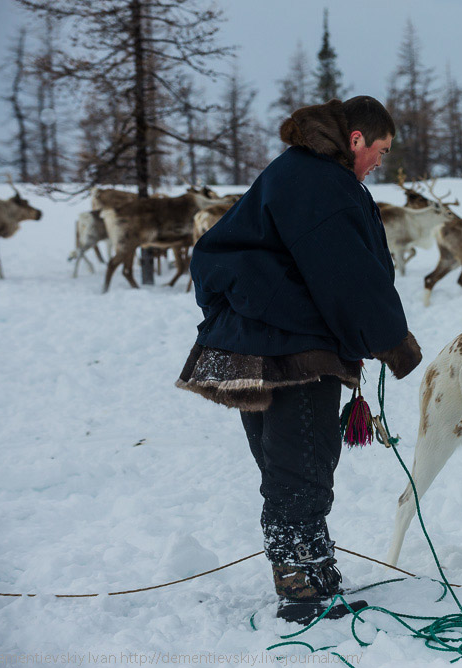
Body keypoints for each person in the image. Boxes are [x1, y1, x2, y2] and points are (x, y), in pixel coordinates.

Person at [176, 96, 423, 624]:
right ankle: (301, 583)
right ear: (356, 139)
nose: (379, 162)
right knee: (302, 463)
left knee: (280, 463)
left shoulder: (292, 170)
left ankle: (310, 566)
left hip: (244, 346)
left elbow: (221, 255)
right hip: (291, 351)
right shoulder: (323, 184)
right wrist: (390, 339)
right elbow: (347, 276)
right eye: (379, 150)